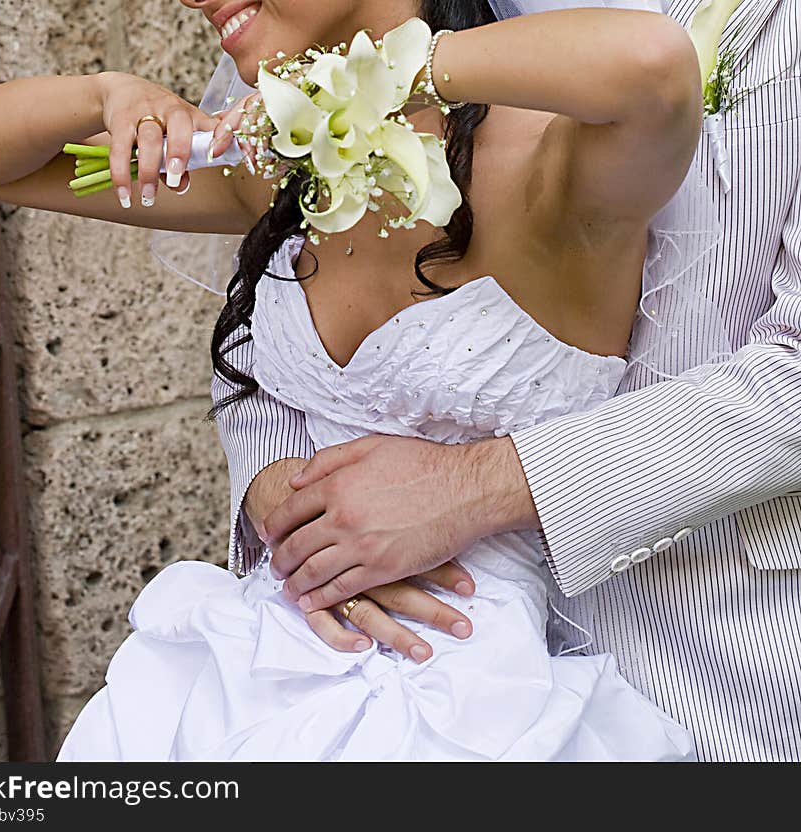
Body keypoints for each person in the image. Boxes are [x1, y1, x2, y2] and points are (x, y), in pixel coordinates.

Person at [0, 1, 705, 760]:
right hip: (255, 669)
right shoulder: (278, 166)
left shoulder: (553, 165)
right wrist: (107, 93)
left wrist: (378, 78)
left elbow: (654, 65)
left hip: (476, 698)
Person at [220, 0, 801, 762]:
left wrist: (478, 487)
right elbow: (279, 286)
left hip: (720, 656)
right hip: (402, 676)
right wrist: (287, 499)